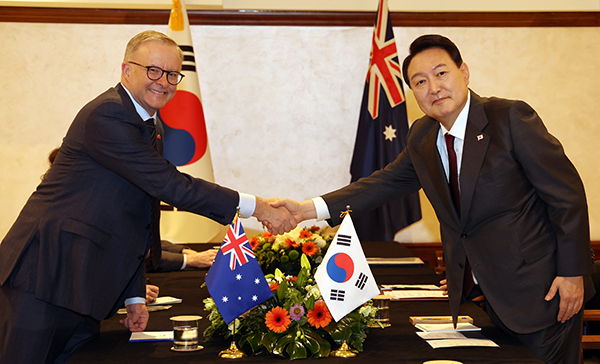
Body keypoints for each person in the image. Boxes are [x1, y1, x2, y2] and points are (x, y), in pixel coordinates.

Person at [275, 34, 594, 363]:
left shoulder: (509, 118)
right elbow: (381, 184)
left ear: (464, 73)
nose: (434, 87)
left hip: (544, 293)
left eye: (441, 73)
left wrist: (572, 273)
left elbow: (566, 195)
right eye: (420, 81)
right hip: (485, 297)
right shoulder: (423, 136)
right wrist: (305, 209)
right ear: (413, 93)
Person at [0, 30, 296, 364]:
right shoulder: (107, 115)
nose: (164, 82)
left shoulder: (150, 126)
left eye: (172, 74)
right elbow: (172, 186)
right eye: (153, 70)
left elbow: (138, 219)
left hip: (82, 283)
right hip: (46, 274)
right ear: (127, 70)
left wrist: (133, 295)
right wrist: (257, 207)